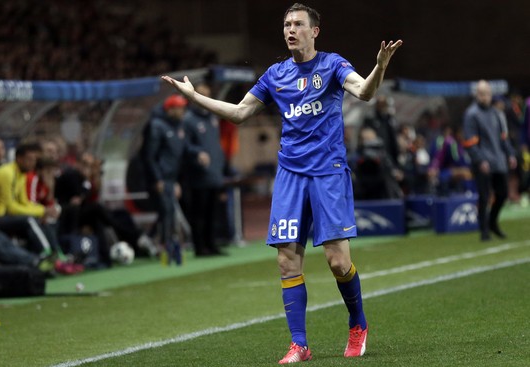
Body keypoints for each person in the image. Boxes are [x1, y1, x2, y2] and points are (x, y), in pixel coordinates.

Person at [162, 3, 402, 361]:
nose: (290, 30)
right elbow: (241, 113)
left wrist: (380, 67)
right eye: (286, 24)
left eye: (298, 24)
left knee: (337, 262)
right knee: (287, 263)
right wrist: (195, 97)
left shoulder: (333, 65)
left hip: (328, 172)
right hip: (290, 175)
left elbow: (365, 92)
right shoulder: (275, 74)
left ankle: (357, 323)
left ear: (314, 31)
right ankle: (299, 344)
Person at [0, 142, 81, 274]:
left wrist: (44, 211)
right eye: (30, 160)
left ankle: (55, 259)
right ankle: (48, 257)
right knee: (29, 220)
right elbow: (11, 207)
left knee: (40, 220)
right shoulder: (7, 174)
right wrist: (42, 211)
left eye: (35, 160)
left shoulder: (20, 175)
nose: (33, 163)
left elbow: (24, 202)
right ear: (19, 159)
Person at [141, 94, 209, 265]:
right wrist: (158, 179)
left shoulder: (179, 127)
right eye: (180, 107)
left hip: (171, 179)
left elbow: (184, 149)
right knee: (166, 212)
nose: (183, 110)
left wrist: (198, 153)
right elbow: (150, 156)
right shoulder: (157, 126)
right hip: (160, 178)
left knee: (169, 213)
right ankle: (162, 249)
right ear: (170, 109)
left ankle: (154, 241)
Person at [463, 80, 517, 241]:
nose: (484, 97)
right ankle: (484, 231)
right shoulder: (471, 114)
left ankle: (492, 222)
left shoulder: (496, 114)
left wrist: (511, 154)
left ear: (490, 94)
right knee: (484, 196)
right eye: (481, 94)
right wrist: (480, 160)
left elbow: (503, 138)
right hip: (483, 163)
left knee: (502, 194)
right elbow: (469, 143)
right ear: (476, 95)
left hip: (498, 160)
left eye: (486, 93)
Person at [182, 82, 227, 257]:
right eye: (201, 94)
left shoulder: (212, 118)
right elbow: (184, 145)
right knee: (198, 212)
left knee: (212, 212)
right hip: (198, 175)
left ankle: (212, 244)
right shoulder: (188, 120)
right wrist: (197, 153)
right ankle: (200, 247)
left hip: (214, 172)